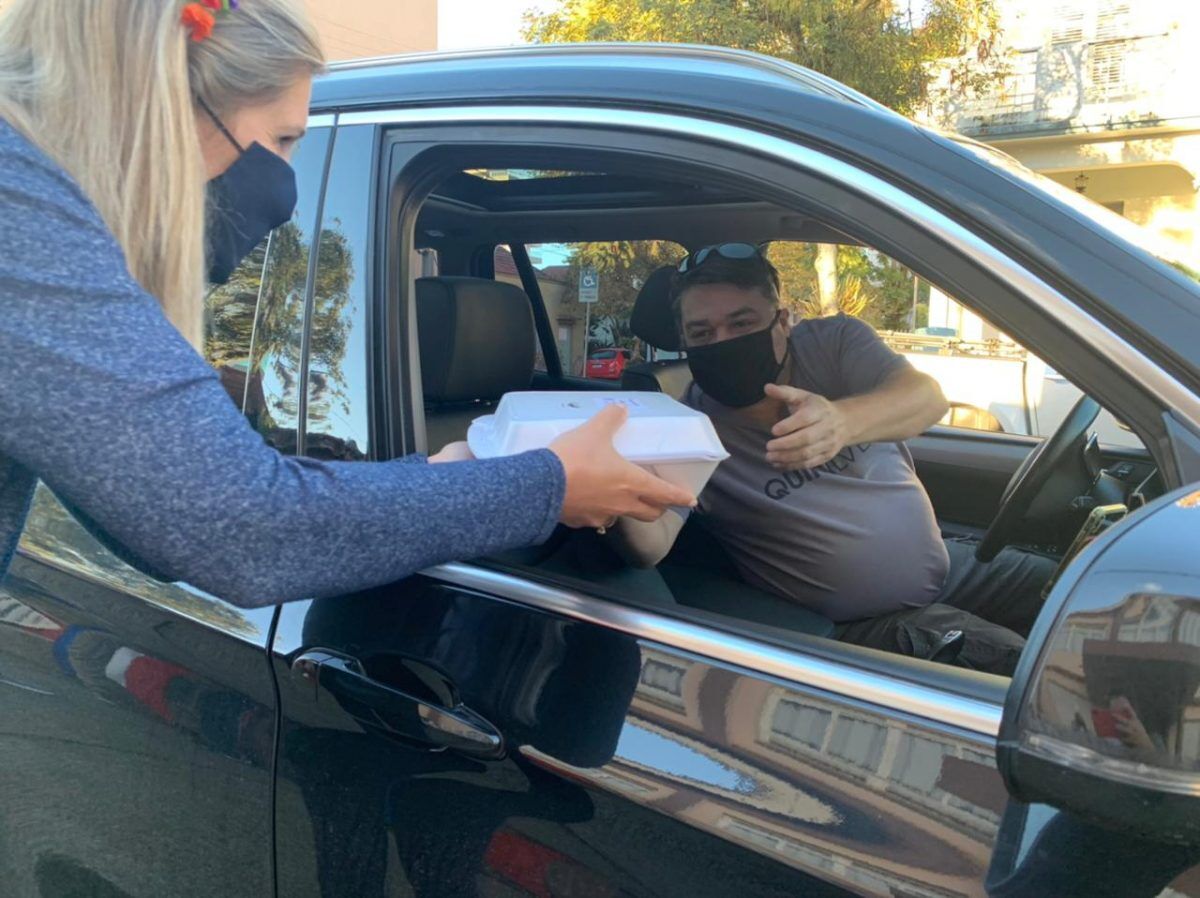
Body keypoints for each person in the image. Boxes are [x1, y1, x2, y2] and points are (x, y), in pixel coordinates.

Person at [0, 0, 693, 607]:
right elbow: (241, 528)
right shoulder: (16, 218)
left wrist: (451, 475)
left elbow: (152, 527)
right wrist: (547, 486)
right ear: (167, 101)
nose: (285, 187)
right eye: (282, 140)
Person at [611, 244, 1057, 674]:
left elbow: (926, 399)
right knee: (1036, 667)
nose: (722, 342)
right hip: (862, 625)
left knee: (1069, 592)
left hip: (949, 567)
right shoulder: (691, 426)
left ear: (782, 321)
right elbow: (652, 544)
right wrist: (610, 485)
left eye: (742, 323)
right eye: (702, 334)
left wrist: (841, 421)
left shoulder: (832, 344)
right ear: (685, 342)